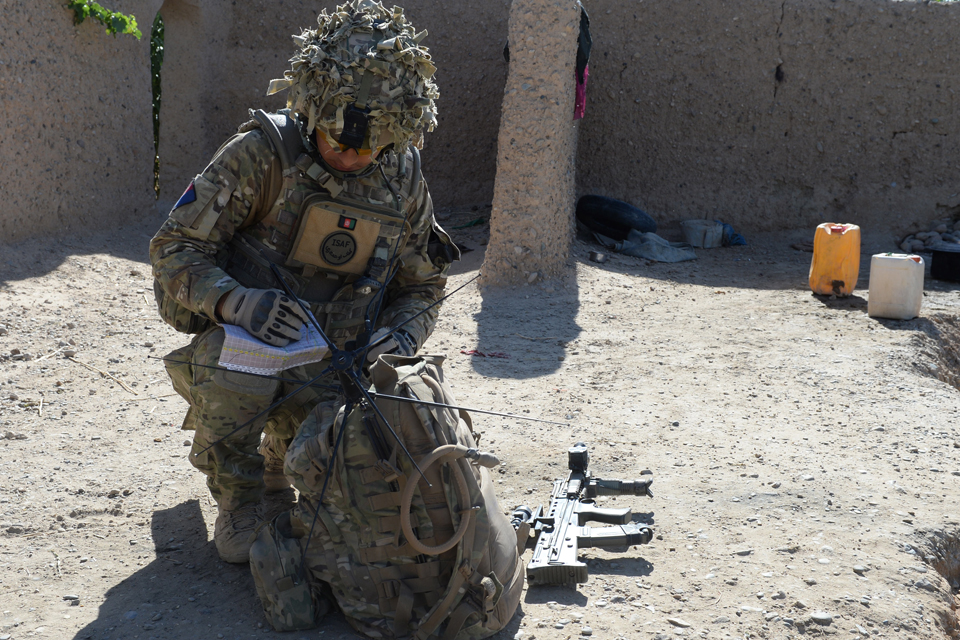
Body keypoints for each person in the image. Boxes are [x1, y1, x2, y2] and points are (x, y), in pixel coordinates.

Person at [149, 0, 458, 563]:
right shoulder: (260, 157)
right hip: (250, 346)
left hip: (341, 361)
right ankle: (240, 500)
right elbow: (174, 249)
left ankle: (281, 457)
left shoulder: (402, 178)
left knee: (365, 496)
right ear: (314, 111)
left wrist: (402, 336)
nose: (352, 158)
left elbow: (422, 286)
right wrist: (236, 302)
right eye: (340, 143)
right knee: (235, 366)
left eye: (371, 149)